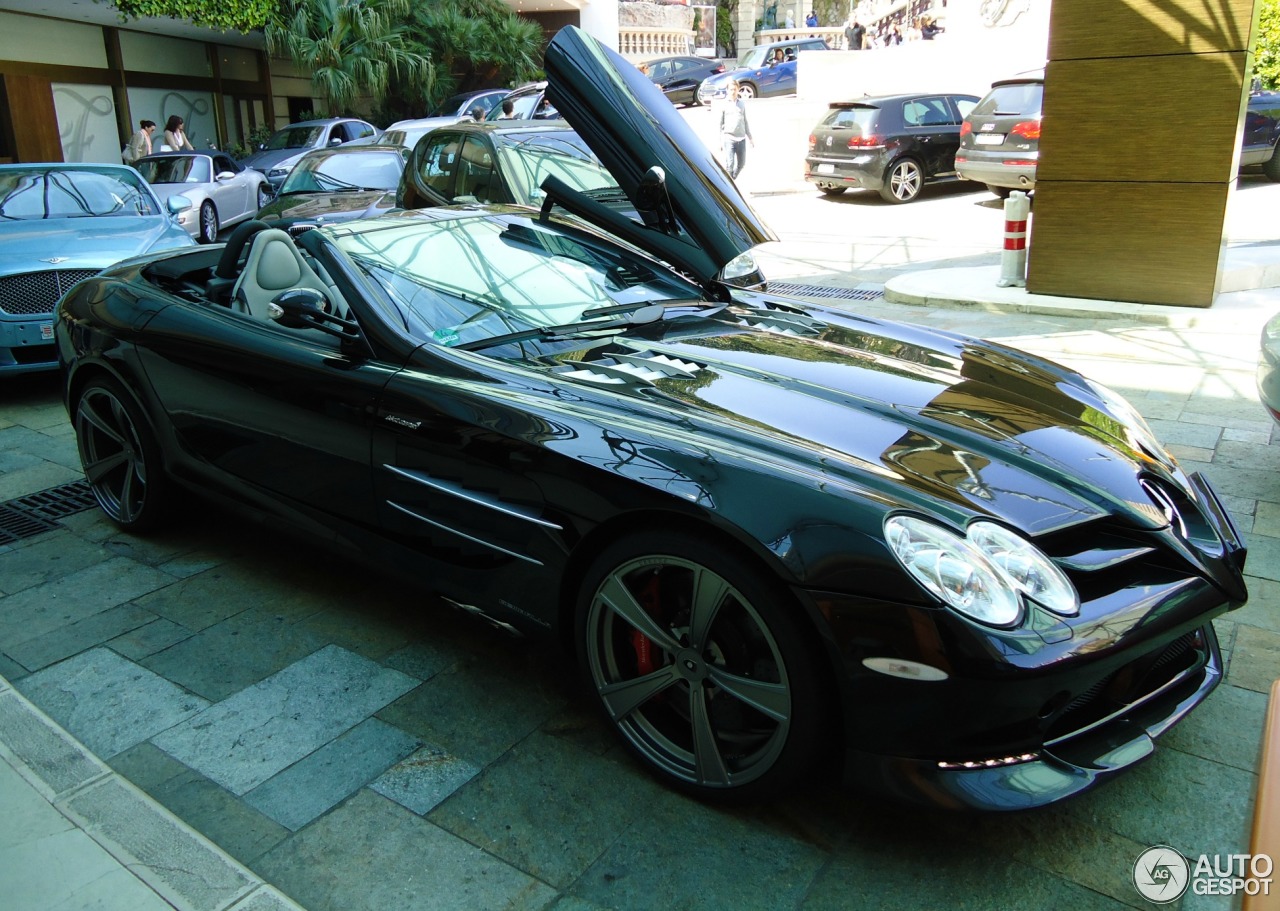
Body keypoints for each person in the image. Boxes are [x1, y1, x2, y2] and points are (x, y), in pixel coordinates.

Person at [718, 81, 752, 180]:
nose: (733, 92)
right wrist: (719, 141)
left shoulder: (741, 104)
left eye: (735, 89)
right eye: (731, 89)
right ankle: (728, 187)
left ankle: (731, 180)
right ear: (727, 90)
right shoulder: (724, 104)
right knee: (730, 164)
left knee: (742, 164)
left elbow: (745, 121)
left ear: (738, 89)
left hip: (741, 139)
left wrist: (750, 137)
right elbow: (720, 124)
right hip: (729, 139)